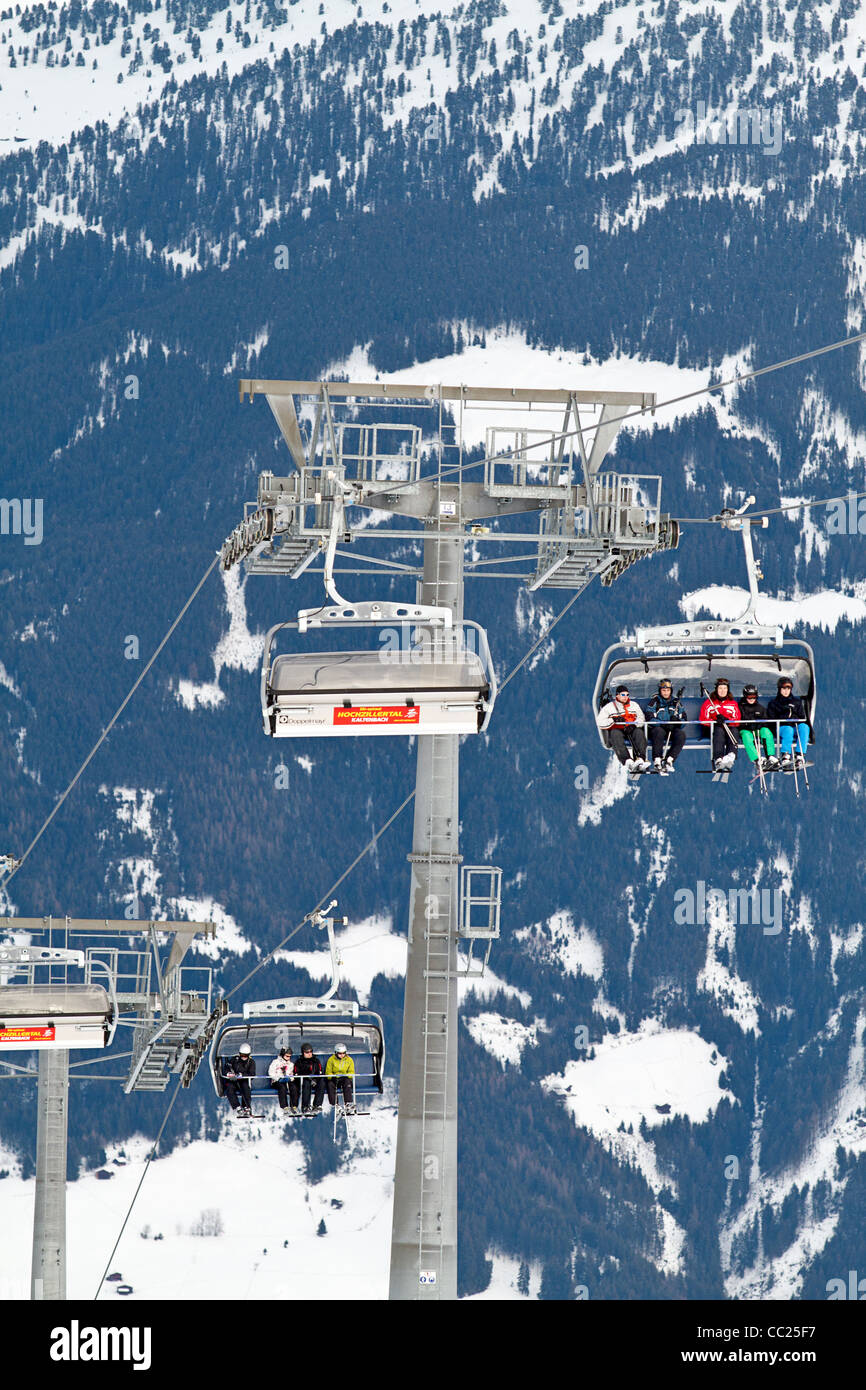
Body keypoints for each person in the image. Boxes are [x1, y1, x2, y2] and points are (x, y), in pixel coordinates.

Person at [596, 683, 651, 774]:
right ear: (617, 695)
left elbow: (641, 718)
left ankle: (641, 758)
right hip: (618, 729)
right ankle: (627, 760)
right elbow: (600, 721)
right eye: (623, 695)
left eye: (627, 695)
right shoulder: (610, 707)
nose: (625, 697)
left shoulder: (634, 705)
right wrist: (613, 719)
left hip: (631, 728)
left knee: (639, 733)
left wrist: (634, 725)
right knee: (615, 734)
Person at [643, 678, 687, 773]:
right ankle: (657, 759)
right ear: (660, 691)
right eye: (663, 690)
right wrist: (662, 724)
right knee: (658, 732)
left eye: (668, 690)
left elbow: (684, 719)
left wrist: (677, 723)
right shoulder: (654, 702)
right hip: (658, 729)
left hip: (672, 730)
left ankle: (670, 759)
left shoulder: (676, 703)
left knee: (681, 735)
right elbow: (649, 717)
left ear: (671, 691)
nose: (666, 693)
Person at [767, 677, 810, 769]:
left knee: (804, 727)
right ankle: (786, 754)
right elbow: (771, 718)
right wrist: (784, 715)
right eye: (784, 689)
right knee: (788, 730)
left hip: (794, 726)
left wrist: (794, 717)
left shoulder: (796, 702)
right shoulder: (774, 703)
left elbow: (802, 716)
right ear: (779, 689)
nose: (786, 691)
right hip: (781, 727)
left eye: (788, 689)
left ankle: (799, 754)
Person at [699, 677, 740, 771]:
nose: (722, 691)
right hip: (713, 728)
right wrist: (715, 721)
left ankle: (731, 755)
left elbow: (737, 719)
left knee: (734, 730)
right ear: (716, 689)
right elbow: (703, 719)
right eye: (720, 688)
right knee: (719, 730)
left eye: (725, 688)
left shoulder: (732, 703)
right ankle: (718, 758)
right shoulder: (709, 703)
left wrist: (727, 719)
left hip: (728, 728)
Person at [739, 685, 780, 772]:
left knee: (766, 732)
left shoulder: (760, 708)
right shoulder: (740, 707)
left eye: (754, 696)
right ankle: (757, 759)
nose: (751, 699)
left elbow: (765, 721)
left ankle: (770, 756)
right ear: (745, 696)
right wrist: (747, 724)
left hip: (757, 729)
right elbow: (739, 720)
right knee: (746, 737)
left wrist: (760, 725)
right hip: (746, 730)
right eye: (749, 696)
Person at [223, 1042, 256, 1117]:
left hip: (243, 1080)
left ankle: (246, 1106)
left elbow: (252, 1074)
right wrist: (229, 1074)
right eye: (242, 1055)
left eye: (246, 1056)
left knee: (245, 1088)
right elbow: (226, 1068)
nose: (244, 1057)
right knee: (229, 1088)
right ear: (239, 1054)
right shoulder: (235, 1060)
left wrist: (242, 1075)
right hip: (233, 1081)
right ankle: (237, 1107)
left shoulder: (251, 1062)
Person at [292, 1042, 325, 1116]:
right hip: (304, 1081)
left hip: (314, 1080)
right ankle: (305, 1106)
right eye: (307, 1052)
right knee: (306, 1083)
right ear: (303, 1053)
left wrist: (316, 1080)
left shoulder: (316, 1061)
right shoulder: (299, 1062)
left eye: (311, 1052)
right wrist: (308, 1079)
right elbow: (296, 1074)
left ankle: (317, 1105)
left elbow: (320, 1072)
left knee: (322, 1082)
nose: (309, 1054)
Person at [326, 1042, 356, 1115]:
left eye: (343, 1053)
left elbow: (352, 1072)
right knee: (330, 1084)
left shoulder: (349, 1060)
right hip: (335, 1078)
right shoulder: (331, 1060)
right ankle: (335, 1104)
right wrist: (333, 1076)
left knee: (347, 1082)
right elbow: (328, 1072)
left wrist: (345, 1075)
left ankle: (348, 1103)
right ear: (336, 1053)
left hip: (344, 1078)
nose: (342, 1055)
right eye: (340, 1053)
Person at [268, 1046, 294, 1113]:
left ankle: (293, 1106)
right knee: (282, 1087)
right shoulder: (275, 1062)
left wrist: (290, 1078)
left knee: (293, 1087)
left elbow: (292, 1074)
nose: (288, 1058)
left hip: (286, 1081)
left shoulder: (291, 1064)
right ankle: (284, 1106)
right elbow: (271, 1072)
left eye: (289, 1056)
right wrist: (278, 1078)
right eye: (287, 1056)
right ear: (282, 1055)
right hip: (277, 1082)